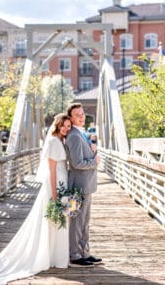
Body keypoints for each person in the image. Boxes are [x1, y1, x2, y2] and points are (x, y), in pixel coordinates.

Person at [0, 113, 72, 284]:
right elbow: (52, 170)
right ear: (58, 125)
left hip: (62, 183)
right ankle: (51, 257)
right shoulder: (53, 141)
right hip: (55, 185)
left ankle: (55, 257)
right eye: (64, 126)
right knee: (52, 220)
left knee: (57, 221)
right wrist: (55, 195)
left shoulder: (61, 140)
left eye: (69, 126)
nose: (66, 129)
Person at [65, 103, 102, 267]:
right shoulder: (73, 135)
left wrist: (92, 150)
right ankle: (75, 255)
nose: (81, 117)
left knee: (85, 221)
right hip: (78, 186)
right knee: (77, 222)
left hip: (86, 184)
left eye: (82, 113)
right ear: (71, 119)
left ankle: (85, 252)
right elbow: (77, 163)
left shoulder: (82, 133)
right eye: (77, 115)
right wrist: (94, 162)